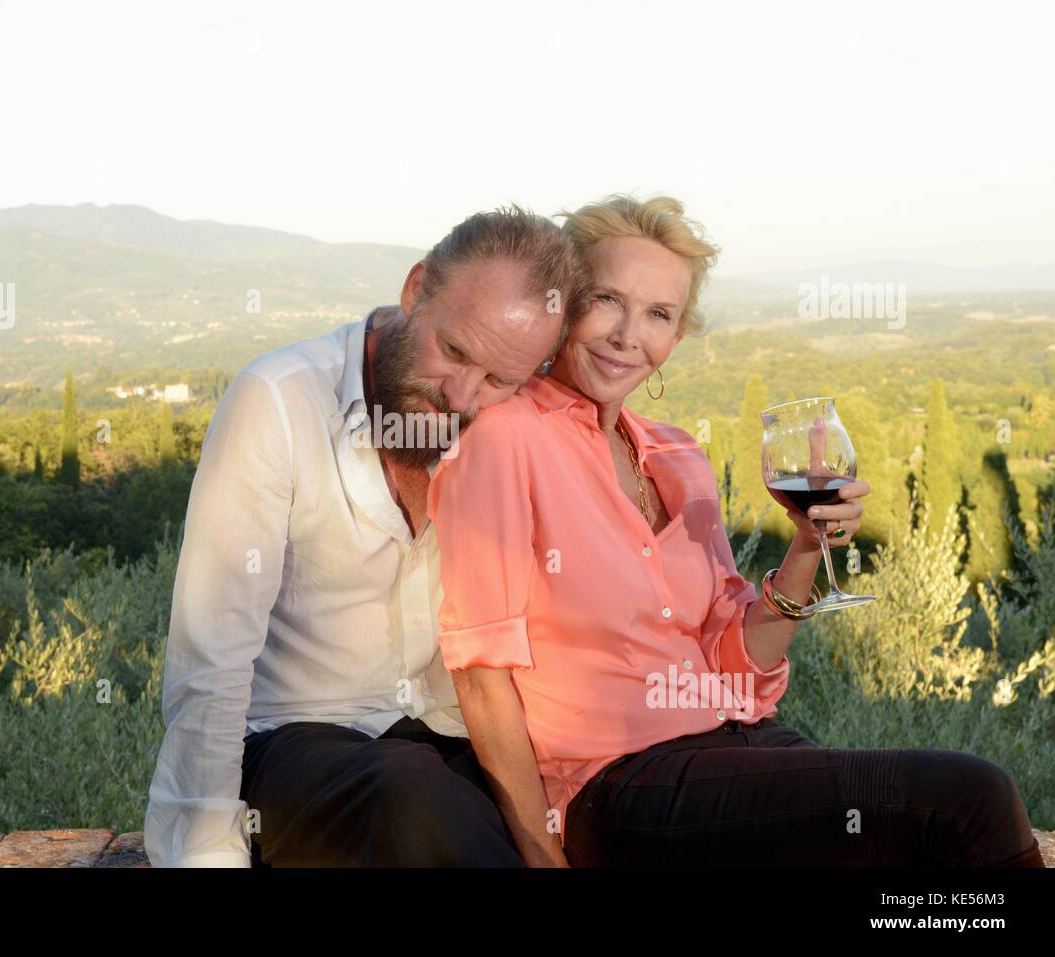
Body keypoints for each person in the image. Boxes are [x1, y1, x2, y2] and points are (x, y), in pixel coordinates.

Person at [426, 193, 1047, 868]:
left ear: (676, 335)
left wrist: (806, 546)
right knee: (967, 796)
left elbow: (736, 657)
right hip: (620, 786)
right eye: (606, 299)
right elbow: (483, 674)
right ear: (561, 303)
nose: (627, 334)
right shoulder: (503, 437)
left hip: (737, 743)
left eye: (658, 314)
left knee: (914, 851)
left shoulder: (676, 457)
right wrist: (543, 857)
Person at [143, 205, 588, 866]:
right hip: (295, 742)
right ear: (416, 290)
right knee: (412, 797)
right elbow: (212, 661)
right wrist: (204, 852)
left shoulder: (512, 427)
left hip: (448, 743)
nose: (460, 395)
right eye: (455, 351)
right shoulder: (279, 400)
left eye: (500, 380)